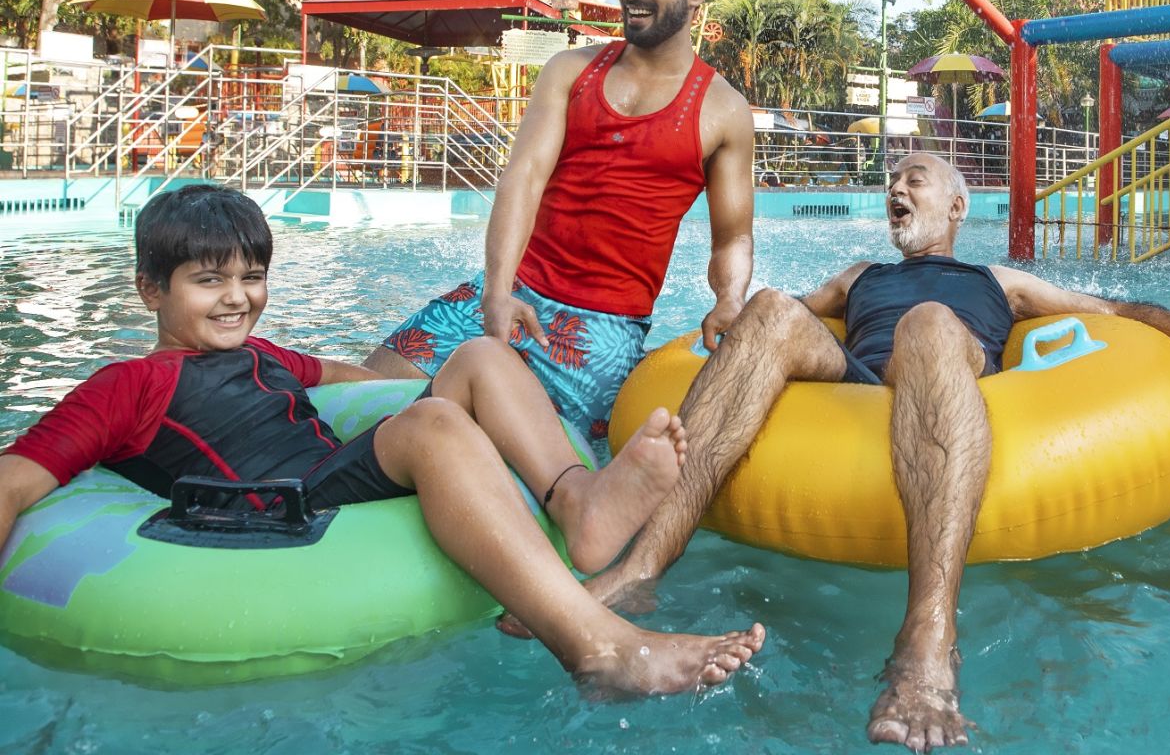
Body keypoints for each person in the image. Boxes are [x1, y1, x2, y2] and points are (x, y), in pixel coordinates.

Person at [578, 152, 1170, 750]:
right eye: (892, 184)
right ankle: (642, 567)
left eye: (914, 179)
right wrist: (734, 314)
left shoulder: (998, 282)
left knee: (929, 323)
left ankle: (928, 639)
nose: (897, 190)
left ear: (958, 204)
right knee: (766, 308)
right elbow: (789, 314)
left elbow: (1121, 316)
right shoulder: (858, 275)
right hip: (858, 380)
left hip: (947, 367)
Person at [0, 185, 763, 695]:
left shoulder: (261, 357)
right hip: (270, 509)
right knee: (431, 424)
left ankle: (581, 503)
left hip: (326, 474)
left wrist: (428, 391)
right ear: (150, 289)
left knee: (478, 357)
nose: (237, 297)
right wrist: (420, 417)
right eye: (209, 281)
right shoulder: (125, 387)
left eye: (251, 276)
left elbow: (348, 378)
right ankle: (597, 647)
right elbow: (16, 480)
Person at [364, 0, 755, 450]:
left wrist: (729, 299)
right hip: (510, 290)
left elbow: (732, 235)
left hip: (603, 330)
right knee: (364, 401)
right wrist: (497, 292)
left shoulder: (723, 110)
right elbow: (523, 178)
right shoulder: (571, 70)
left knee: (551, 464)